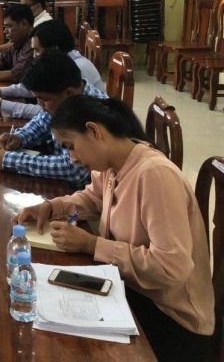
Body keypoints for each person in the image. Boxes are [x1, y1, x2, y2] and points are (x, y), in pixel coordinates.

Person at [14, 95, 214, 361]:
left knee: (63, 346)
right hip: (131, 289)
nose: (72, 158)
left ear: (94, 131)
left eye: (71, 146)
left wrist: (92, 245)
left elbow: (171, 266)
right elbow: (92, 198)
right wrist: (51, 207)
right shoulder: (112, 164)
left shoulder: (155, 175)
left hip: (171, 317)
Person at [0, 50, 107, 188]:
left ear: (69, 92)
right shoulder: (64, 99)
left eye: (44, 99)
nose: (40, 105)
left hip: (83, 191)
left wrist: (9, 160)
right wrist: (20, 138)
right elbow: (41, 123)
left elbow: (74, 170)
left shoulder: (94, 113)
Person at [0, 20, 104, 118]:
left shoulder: (77, 69)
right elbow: (32, 89)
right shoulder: (60, 64)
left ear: (54, 49)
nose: (34, 56)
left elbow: (45, 112)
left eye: (37, 50)